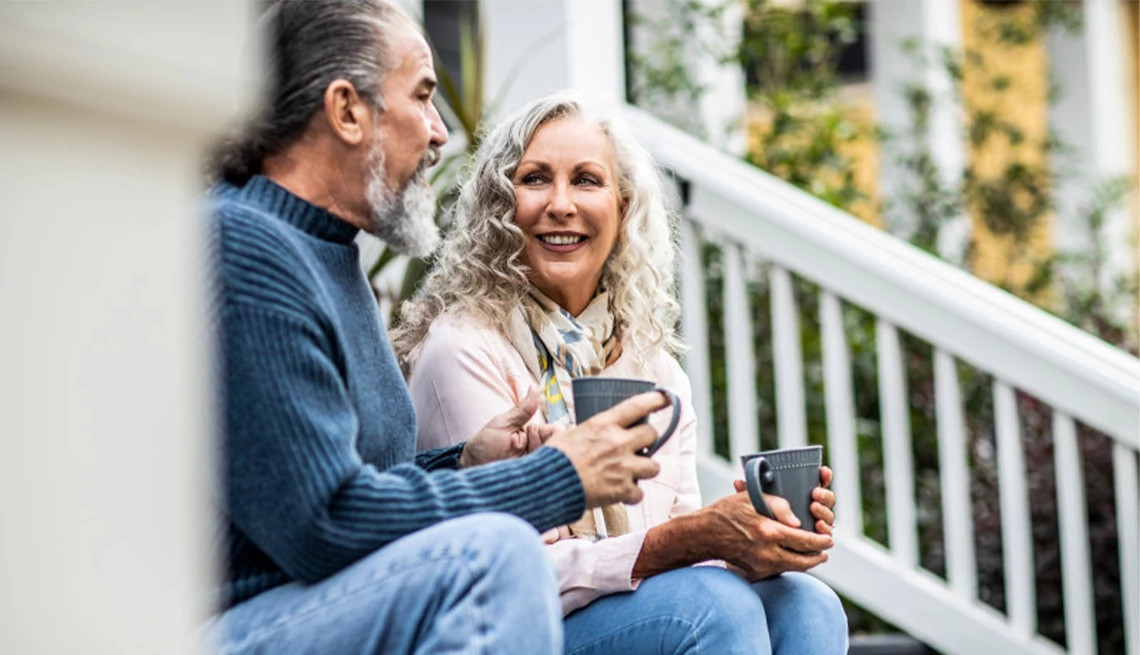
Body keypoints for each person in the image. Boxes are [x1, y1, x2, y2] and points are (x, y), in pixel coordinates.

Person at [201, 3, 672, 654]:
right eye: (423, 97)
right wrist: (556, 477)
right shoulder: (246, 246)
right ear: (347, 111)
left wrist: (463, 460)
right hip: (232, 621)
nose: (440, 132)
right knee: (497, 557)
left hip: (320, 605)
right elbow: (323, 525)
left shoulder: (331, 257)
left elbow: (351, 484)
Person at [392, 92, 849, 654]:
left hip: (626, 612)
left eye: (586, 180)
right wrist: (685, 541)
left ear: (624, 207)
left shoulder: (654, 365)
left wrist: (751, 539)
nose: (560, 204)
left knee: (807, 604)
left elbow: (682, 546)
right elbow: (514, 575)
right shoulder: (464, 347)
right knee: (712, 608)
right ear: (500, 207)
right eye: (535, 179)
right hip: (509, 630)